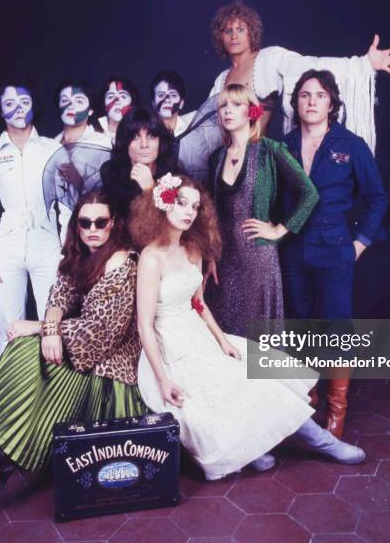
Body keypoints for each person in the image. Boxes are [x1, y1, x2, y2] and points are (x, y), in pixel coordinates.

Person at [131, 173, 365, 481]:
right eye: (181, 203)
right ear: (163, 205)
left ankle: (324, 442)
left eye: (194, 206)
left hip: (199, 335)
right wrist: (162, 379)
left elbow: (198, 303)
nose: (188, 211)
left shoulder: (193, 248)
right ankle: (252, 450)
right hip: (168, 347)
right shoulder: (151, 257)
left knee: (259, 373)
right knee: (230, 391)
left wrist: (222, 341)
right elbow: (144, 326)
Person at [0, 190, 147, 488]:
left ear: (113, 223)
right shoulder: (83, 253)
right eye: (85, 223)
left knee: (41, 366)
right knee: (25, 352)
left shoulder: (123, 263)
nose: (93, 230)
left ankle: (4, 455)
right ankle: (4, 450)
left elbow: (102, 334)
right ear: (77, 226)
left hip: (110, 359)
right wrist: (51, 327)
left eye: (100, 222)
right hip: (86, 342)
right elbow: (61, 291)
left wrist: (40, 327)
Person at [281, 69, 388, 438]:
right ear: (295, 102)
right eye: (305, 95)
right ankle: (307, 403)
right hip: (293, 249)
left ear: (331, 102)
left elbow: (377, 198)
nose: (311, 101)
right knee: (299, 326)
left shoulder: (350, 144)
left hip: (335, 250)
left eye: (320, 95)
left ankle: (336, 413)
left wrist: (359, 244)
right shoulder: (284, 145)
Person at [209, 0, 390, 151]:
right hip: (228, 156)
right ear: (221, 37)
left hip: (256, 155)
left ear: (251, 33)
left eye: (240, 29)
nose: (234, 36)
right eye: (228, 31)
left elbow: (314, 64)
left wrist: (364, 63)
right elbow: (203, 124)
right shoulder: (222, 79)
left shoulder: (269, 57)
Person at [204, 83, 318, 336]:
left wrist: (279, 229)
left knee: (256, 335)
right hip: (223, 260)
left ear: (252, 112)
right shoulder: (216, 157)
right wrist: (210, 255)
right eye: (223, 105)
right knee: (225, 334)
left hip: (257, 258)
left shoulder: (270, 150)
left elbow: (309, 193)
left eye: (236, 104)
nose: (228, 111)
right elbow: (211, 213)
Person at [0, 81, 68, 357]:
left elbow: (67, 205)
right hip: (8, 246)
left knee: (53, 321)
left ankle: (53, 392)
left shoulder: (52, 149)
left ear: (33, 106)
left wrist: (67, 249)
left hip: (47, 241)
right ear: (1, 111)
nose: (18, 109)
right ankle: (10, 393)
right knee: (9, 323)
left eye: (24, 102)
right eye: (10, 103)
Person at [100, 106, 181, 220]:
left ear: (160, 141)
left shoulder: (175, 175)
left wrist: (151, 188)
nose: (144, 145)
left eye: (151, 136)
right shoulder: (111, 172)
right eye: (135, 137)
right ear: (124, 142)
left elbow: (176, 222)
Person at [54, 78, 104, 145]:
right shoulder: (51, 145)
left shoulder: (102, 143)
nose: (70, 106)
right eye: (65, 100)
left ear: (90, 110)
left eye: (79, 101)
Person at [95, 76, 140, 147]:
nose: (117, 101)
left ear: (132, 103)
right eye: (110, 96)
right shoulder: (92, 131)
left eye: (123, 96)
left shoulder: (141, 135)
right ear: (103, 104)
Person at [150, 70, 194, 136]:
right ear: (153, 103)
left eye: (173, 95)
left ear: (181, 103)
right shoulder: (146, 132)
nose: (167, 100)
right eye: (161, 95)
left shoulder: (192, 127)